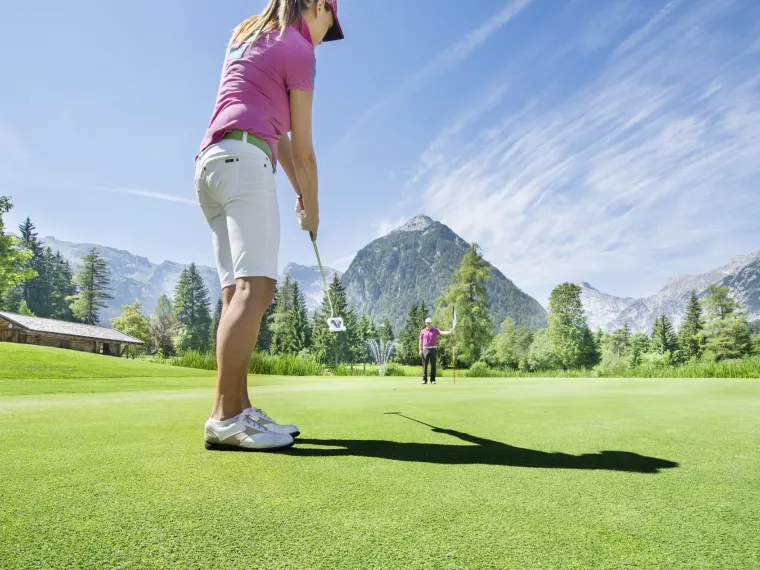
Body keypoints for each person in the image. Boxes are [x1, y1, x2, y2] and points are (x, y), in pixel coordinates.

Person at [196, 0, 344, 452]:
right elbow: (303, 151)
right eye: (328, 24)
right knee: (256, 289)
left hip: (212, 165)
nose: (325, 35)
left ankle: (239, 409)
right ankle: (225, 417)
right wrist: (313, 210)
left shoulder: (248, 32)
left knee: (234, 293)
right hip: (245, 165)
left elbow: (277, 136)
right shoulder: (300, 49)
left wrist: (301, 192)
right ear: (318, 6)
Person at [419, 317, 452, 385]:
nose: (428, 324)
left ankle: (433, 380)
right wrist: (420, 350)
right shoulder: (422, 331)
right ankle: (424, 380)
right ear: (425, 323)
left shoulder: (435, 330)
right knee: (425, 365)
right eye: (427, 323)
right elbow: (420, 341)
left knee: (433, 365)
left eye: (429, 323)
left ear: (431, 323)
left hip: (433, 349)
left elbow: (442, 332)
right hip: (425, 349)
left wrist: (450, 332)